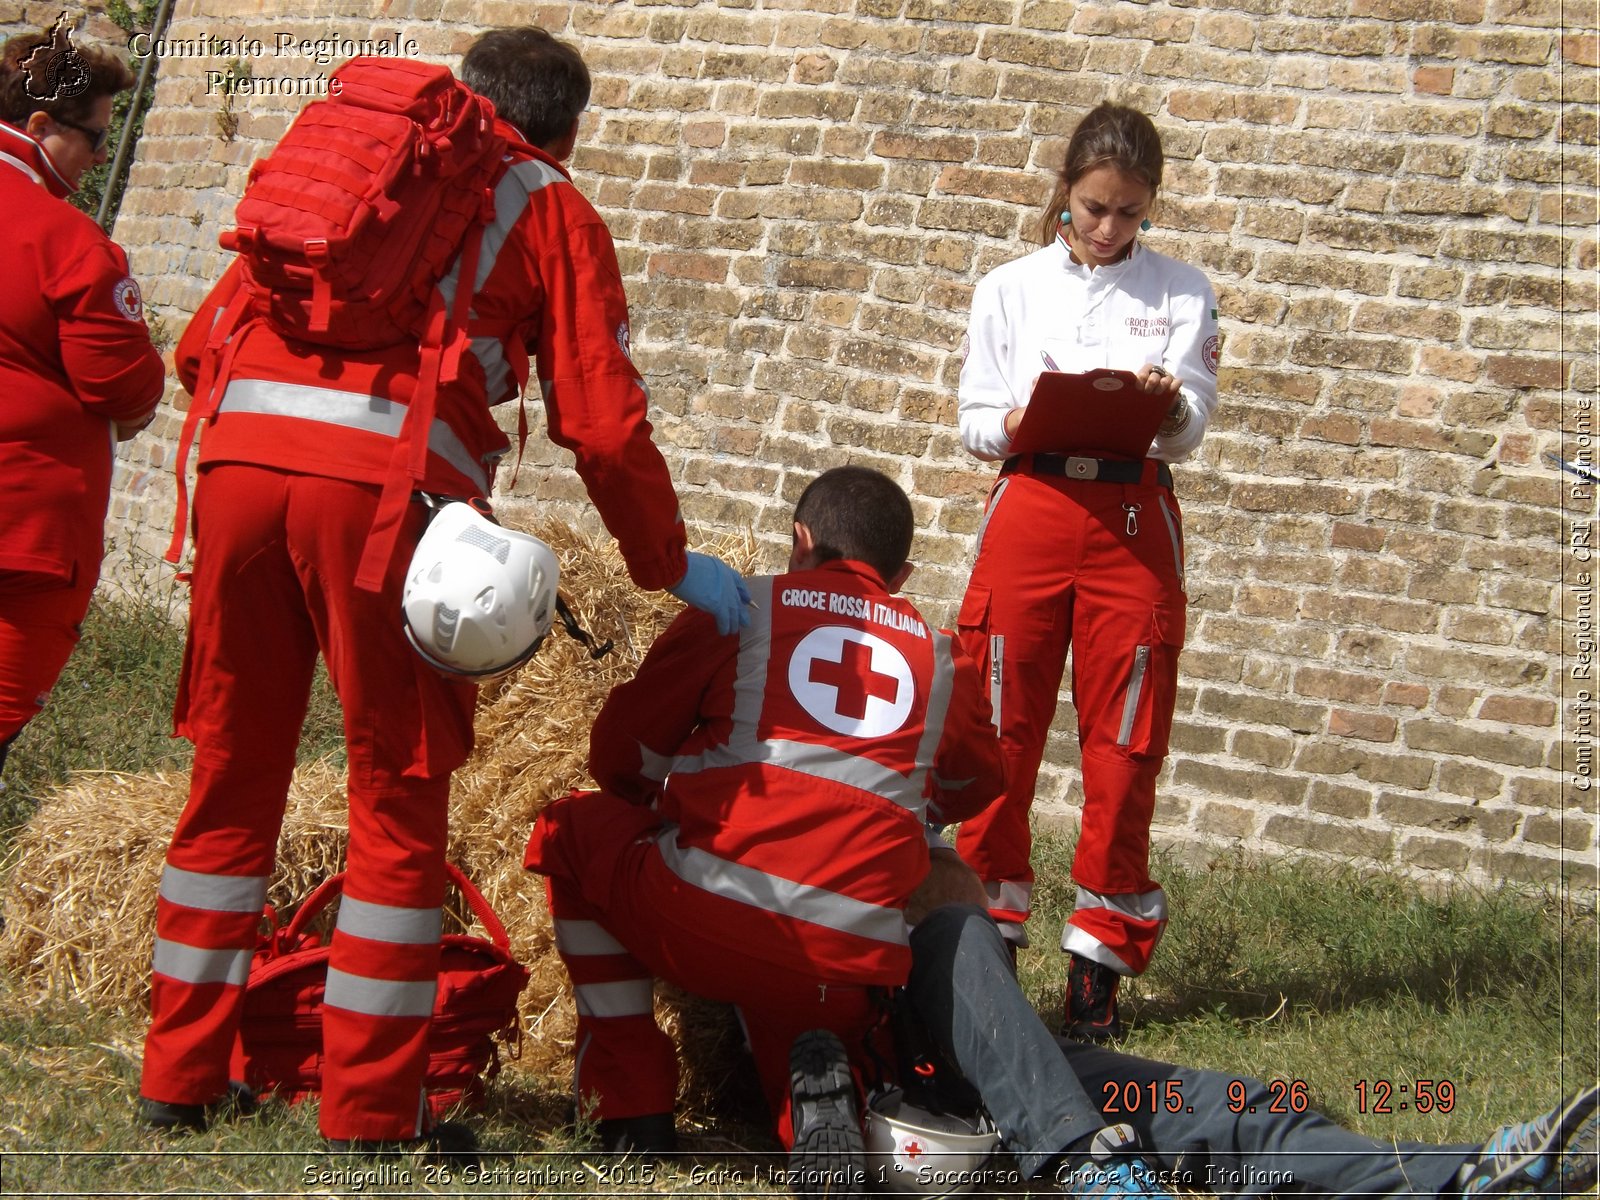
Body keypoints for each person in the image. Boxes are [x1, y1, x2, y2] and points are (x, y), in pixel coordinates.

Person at [137, 27, 747, 1151]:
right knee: (396, 792)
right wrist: (667, 564)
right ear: (566, 133)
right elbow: (603, 426)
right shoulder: (548, 203)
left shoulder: (359, 160)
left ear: (464, 99)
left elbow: (198, 344)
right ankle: (369, 1112)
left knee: (231, 771)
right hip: (380, 500)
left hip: (232, 468)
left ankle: (177, 1074)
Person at [524, 465, 1007, 1164]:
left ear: (798, 540)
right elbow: (972, 783)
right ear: (901, 576)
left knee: (570, 831)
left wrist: (671, 802)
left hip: (702, 922)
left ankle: (631, 1106)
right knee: (801, 1016)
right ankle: (819, 1108)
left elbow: (620, 757)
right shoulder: (944, 661)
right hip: (848, 967)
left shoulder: (740, 611)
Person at [952, 102, 1222, 1040]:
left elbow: (1195, 424)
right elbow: (974, 419)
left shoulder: (1183, 291)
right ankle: (983, 940)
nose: (1109, 229)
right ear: (1065, 192)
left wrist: (1169, 401)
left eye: (1130, 214)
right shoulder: (1010, 287)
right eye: (1094, 208)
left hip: (1133, 516)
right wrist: (1025, 417)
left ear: (1149, 210)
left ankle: (1098, 961)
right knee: (995, 722)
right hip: (1030, 504)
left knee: (1126, 737)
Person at [898, 875, 1599, 1200]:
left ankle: (1466, 1176)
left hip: (977, 1041)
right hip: (889, 1063)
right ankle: (1098, 1175)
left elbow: (957, 885)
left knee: (1235, 1108)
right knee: (957, 934)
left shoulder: (910, 720)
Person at [0, 25, 164, 776]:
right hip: (20, 536)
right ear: (38, 126)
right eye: (94, 137)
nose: (100, 156)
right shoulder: (66, 241)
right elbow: (127, 389)